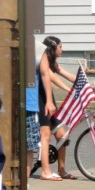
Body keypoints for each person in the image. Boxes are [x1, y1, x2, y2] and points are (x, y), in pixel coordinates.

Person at [36, 36, 78, 180]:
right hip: (41, 99)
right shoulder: (43, 60)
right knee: (45, 135)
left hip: (49, 99)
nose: (62, 49)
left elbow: (66, 74)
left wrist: (87, 86)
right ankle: (45, 171)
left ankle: (61, 170)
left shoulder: (53, 61)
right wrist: (69, 90)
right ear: (52, 48)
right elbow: (51, 77)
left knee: (62, 135)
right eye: (60, 47)